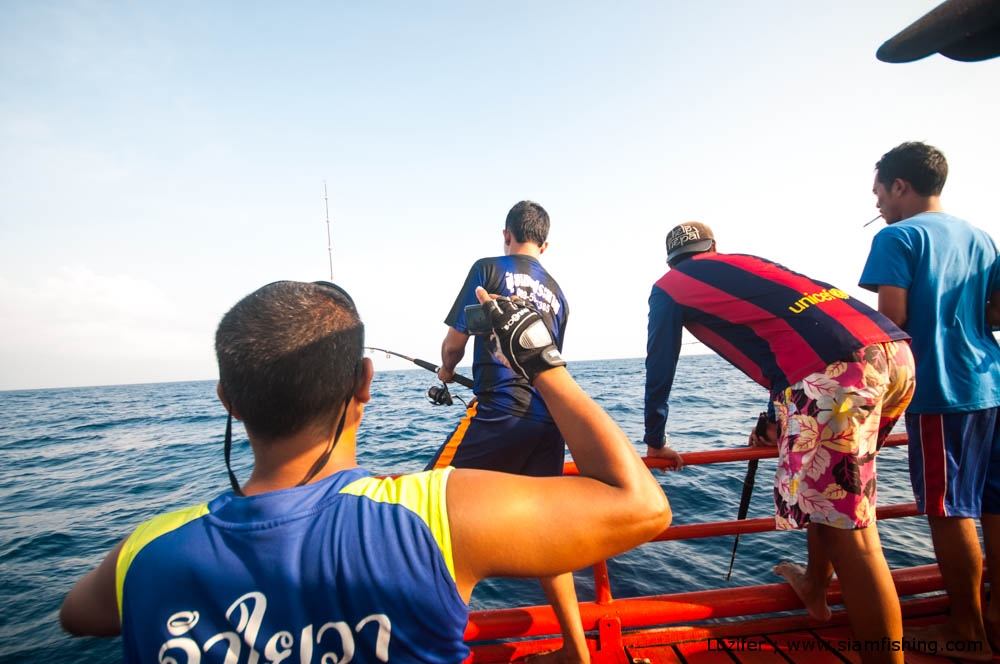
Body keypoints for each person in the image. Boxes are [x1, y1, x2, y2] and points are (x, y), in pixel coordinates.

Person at [59, 280, 671, 663]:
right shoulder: (436, 517)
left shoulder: (146, 552)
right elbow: (642, 506)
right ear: (365, 384)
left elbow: (76, 615)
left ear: (228, 400)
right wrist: (540, 359)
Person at [645, 222, 914, 664]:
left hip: (837, 375)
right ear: (714, 248)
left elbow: (660, 360)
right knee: (831, 502)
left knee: (859, 539)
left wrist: (655, 439)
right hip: (894, 353)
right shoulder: (749, 263)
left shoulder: (670, 287)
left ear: (671, 261)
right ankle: (813, 584)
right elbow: (791, 331)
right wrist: (777, 416)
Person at [424, 200, 591, 661]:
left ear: (506, 234)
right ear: (545, 243)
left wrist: (445, 369)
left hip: (500, 409)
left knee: (431, 511)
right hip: (548, 420)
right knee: (549, 538)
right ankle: (576, 651)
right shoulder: (559, 294)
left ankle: (435, 650)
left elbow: (456, 341)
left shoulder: (488, 268)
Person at [860, 141, 1000, 660]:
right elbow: (997, 312)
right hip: (992, 383)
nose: (877, 205)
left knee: (948, 510)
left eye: (878, 192)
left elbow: (891, 326)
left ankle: (966, 630)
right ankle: (995, 617)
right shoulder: (981, 237)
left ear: (900, 185)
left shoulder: (897, 237)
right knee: (994, 503)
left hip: (942, 391)